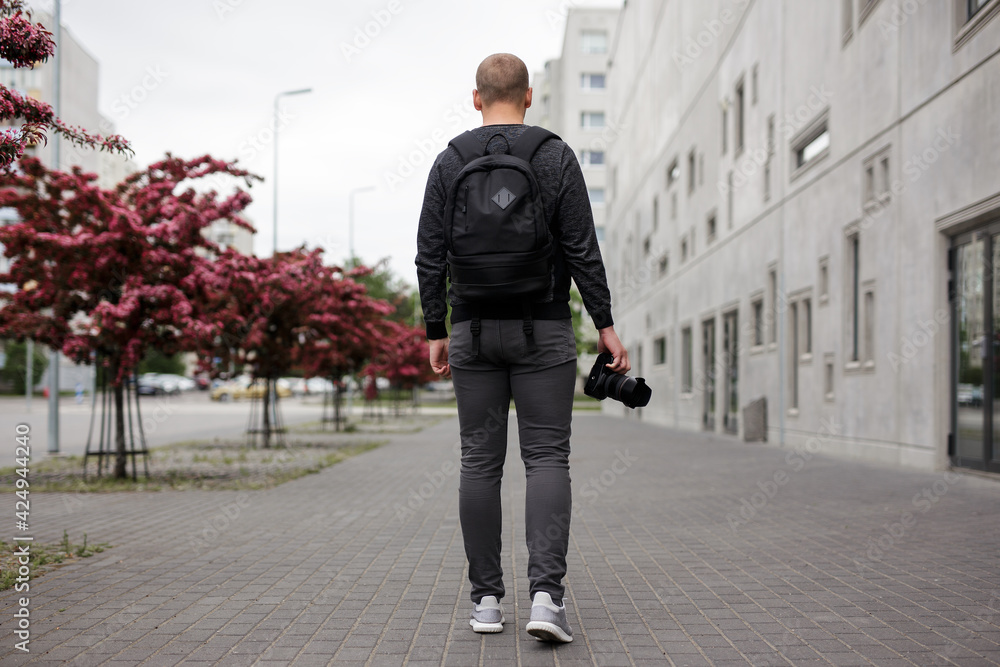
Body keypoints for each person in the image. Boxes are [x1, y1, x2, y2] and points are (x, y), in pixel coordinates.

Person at [415, 53, 629, 644]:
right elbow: (583, 247)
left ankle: (485, 601)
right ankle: (545, 598)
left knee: (479, 463)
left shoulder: (449, 160)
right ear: (529, 96)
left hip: (474, 332)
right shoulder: (554, 155)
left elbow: (429, 254)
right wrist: (605, 324)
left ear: (476, 97)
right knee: (546, 460)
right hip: (545, 330)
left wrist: (438, 329)